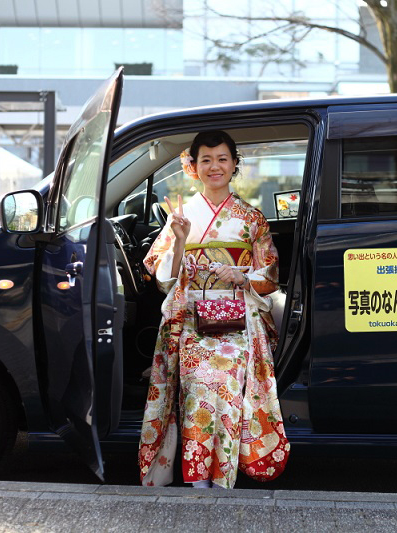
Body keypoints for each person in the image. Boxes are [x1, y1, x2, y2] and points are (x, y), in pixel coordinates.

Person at [138, 130, 289, 489]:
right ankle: (199, 478)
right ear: (193, 166)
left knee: (224, 380)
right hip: (191, 321)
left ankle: (220, 474)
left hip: (238, 320)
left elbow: (270, 277)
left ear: (235, 164)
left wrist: (240, 276)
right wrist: (177, 239)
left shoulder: (251, 218)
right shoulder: (182, 214)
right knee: (198, 380)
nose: (214, 166)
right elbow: (163, 278)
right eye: (205, 159)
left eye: (222, 159)